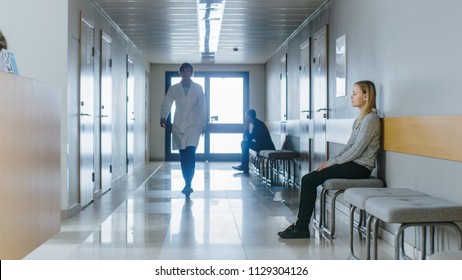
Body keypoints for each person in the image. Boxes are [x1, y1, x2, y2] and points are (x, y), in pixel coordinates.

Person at [278, 80, 381, 239]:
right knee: (310, 178)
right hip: (353, 164)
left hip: (361, 168)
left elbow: (357, 150)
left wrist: (331, 163)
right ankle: (300, 225)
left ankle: (301, 228)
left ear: (366, 96)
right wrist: (330, 161)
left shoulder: (371, 119)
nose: (351, 96)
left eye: (355, 93)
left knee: (308, 180)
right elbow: (349, 146)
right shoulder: (360, 119)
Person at [160, 63, 207, 196]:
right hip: (179, 124)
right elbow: (167, 102)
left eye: (187, 71)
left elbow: (203, 107)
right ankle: (186, 180)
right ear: (180, 73)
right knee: (183, 155)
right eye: (182, 71)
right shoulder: (174, 88)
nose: (185, 73)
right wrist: (163, 117)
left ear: (191, 73)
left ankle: (188, 183)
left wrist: (204, 124)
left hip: (194, 124)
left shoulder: (198, 88)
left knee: (190, 153)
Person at [232, 109, 275, 174]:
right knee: (244, 143)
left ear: (249, 117)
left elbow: (250, 138)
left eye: (246, 117)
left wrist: (246, 128)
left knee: (244, 143)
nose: (246, 119)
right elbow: (251, 138)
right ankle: (244, 166)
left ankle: (244, 166)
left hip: (265, 146)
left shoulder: (258, 124)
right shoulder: (257, 123)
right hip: (262, 145)